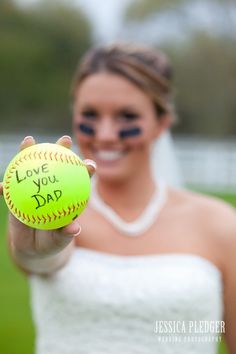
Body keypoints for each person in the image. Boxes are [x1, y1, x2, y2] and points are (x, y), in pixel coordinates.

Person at [0, 42, 236, 354]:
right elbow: (38, 258)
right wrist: (36, 251)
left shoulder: (219, 224)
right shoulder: (51, 214)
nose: (106, 134)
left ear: (161, 123)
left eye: (127, 116)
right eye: (90, 115)